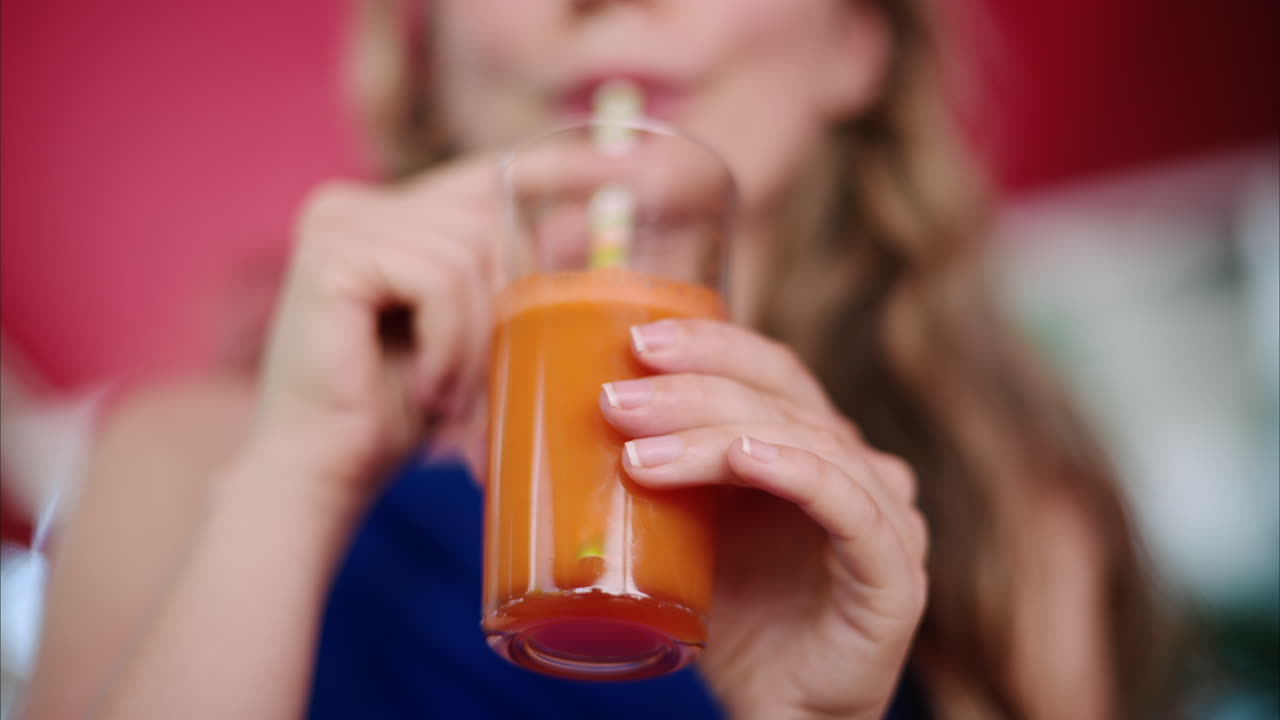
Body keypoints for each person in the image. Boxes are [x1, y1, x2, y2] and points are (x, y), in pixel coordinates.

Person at [24, 0, 1167, 718]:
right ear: (429, 48)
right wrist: (294, 480)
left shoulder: (994, 522)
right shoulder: (187, 462)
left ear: (857, 45)